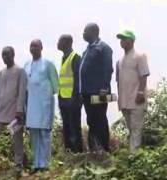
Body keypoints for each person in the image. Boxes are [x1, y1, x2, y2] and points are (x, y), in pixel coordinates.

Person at [24, 39, 59, 174]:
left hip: (44, 104)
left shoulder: (48, 64)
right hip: (32, 104)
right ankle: (36, 164)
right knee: (34, 134)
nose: (33, 48)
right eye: (31, 46)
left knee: (44, 134)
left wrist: (45, 94)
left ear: (41, 48)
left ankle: (45, 164)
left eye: (36, 46)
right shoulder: (27, 65)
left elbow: (55, 87)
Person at [79, 23, 113, 152]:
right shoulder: (88, 49)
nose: (83, 34)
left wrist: (104, 87)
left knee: (100, 119)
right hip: (87, 93)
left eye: (85, 31)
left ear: (93, 32)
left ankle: (104, 149)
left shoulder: (104, 48)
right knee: (91, 121)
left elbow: (108, 69)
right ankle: (94, 149)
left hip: (99, 93)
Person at [116, 30, 150, 153]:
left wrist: (140, 93)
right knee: (131, 129)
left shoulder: (140, 56)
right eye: (121, 39)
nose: (122, 42)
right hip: (124, 101)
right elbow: (118, 81)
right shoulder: (119, 61)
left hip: (136, 99)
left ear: (132, 40)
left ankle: (133, 157)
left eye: (124, 39)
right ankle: (133, 156)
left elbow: (144, 75)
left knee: (136, 129)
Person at [57, 34, 83, 153]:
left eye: (60, 41)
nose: (57, 43)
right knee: (67, 129)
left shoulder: (75, 57)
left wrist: (75, 98)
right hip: (64, 100)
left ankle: (77, 154)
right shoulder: (64, 58)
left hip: (72, 100)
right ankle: (69, 154)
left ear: (67, 43)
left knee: (74, 129)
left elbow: (78, 80)